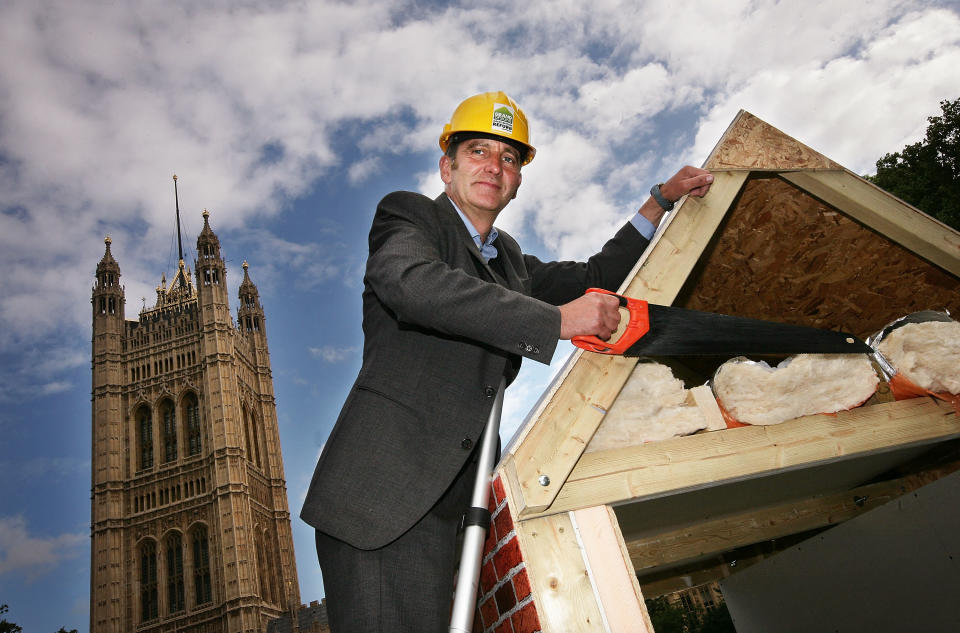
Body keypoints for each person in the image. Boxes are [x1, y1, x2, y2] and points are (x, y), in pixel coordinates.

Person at [300, 91, 713, 632]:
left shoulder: (511, 261)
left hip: (457, 506)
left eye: (509, 158)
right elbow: (409, 283)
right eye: (478, 151)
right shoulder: (411, 216)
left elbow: (597, 273)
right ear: (447, 167)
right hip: (385, 499)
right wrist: (556, 322)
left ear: (517, 181)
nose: (494, 166)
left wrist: (659, 200)